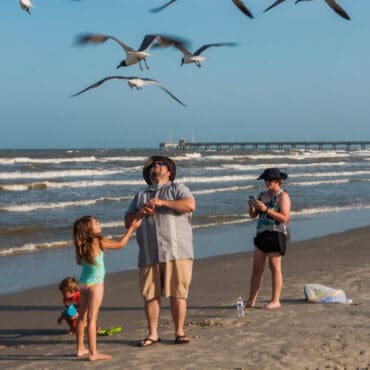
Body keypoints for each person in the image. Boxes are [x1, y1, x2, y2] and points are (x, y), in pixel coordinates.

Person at [125, 155, 196, 347]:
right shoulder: (140, 195)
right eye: (152, 166)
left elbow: (190, 205)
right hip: (149, 252)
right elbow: (127, 222)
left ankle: (179, 332)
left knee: (178, 293)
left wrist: (162, 202)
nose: (155, 167)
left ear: (169, 171)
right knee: (150, 294)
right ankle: (153, 334)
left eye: (160, 164)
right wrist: (141, 212)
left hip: (177, 251)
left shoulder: (177, 188)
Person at [73, 215, 142, 361]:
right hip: (96, 283)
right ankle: (93, 353)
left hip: (83, 283)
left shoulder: (81, 244)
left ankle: (80, 349)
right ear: (89, 229)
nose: (98, 223)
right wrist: (132, 229)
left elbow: (79, 263)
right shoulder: (98, 240)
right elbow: (120, 245)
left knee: (82, 317)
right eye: (95, 222)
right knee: (92, 319)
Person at [246, 168, 291, 309]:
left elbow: (285, 217)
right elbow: (253, 216)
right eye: (265, 180)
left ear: (278, 181)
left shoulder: (282, 196)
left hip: (276, 233)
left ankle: (275, 300)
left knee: (274, 267)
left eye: (270, 180)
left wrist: (267, 210)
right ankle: (251, 300)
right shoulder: (261, 195)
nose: (267, 182)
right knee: (256, 269)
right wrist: (253, 208)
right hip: (261, 233)